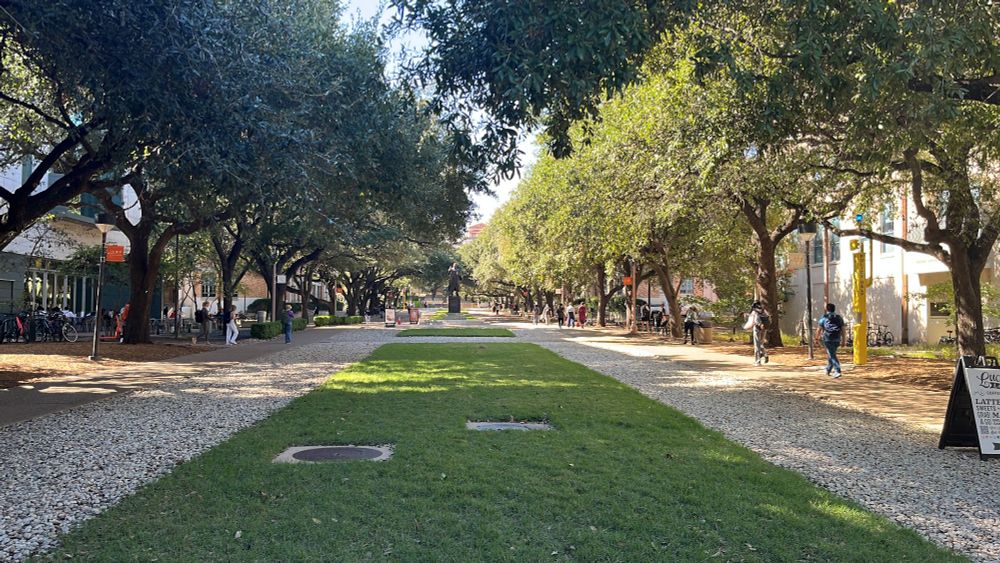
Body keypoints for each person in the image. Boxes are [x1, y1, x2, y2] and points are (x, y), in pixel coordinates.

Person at [816, 302, 845, 378]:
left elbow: (819, 328)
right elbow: (843, 329)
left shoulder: (824, 317)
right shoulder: (839, 317)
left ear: (827, 309)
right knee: (831, 354)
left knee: (832, 355)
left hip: (827, 339)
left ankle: (837, 371)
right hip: (837, 338)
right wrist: (843, 340)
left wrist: (817, 337)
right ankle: (828, 369)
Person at [743, 301, 769, 365]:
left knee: (757, 345)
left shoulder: (754, 312)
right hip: (764, 329)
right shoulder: (764, 311)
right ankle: (765, 354)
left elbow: (753, 321)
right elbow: (769, 319)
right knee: (761, 343)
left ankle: (758, 361)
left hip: (757, 329)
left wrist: (746, 327)